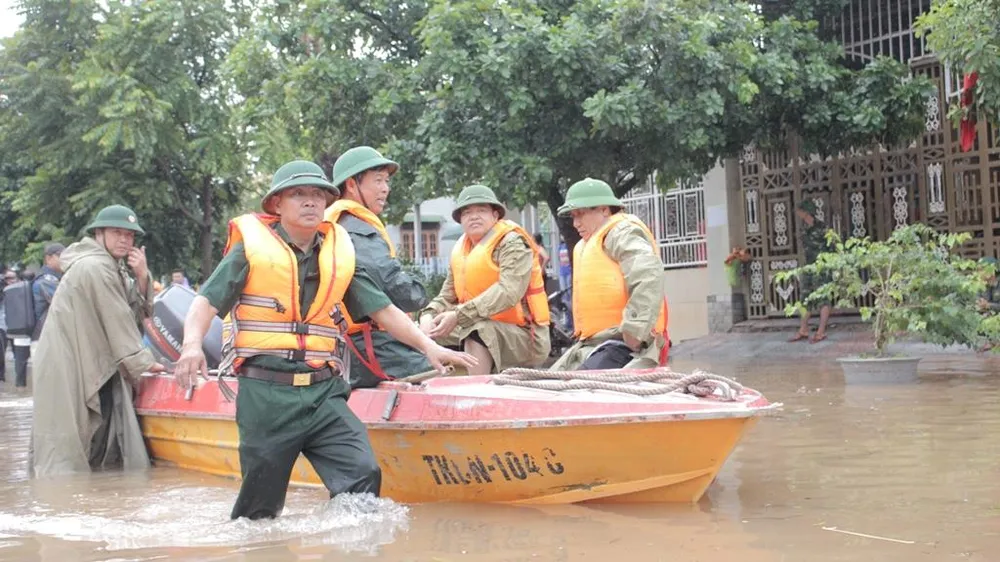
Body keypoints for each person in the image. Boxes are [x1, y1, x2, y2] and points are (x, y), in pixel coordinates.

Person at [172, 159, 476, 521]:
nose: (311, 202)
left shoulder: (338, 254)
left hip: (323, 394)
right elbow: (205, 302)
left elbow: (382, 310)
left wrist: (429, 346)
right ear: (277, 205)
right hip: (267, 395)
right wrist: (191, 346)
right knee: (259, 512)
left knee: (363, 473)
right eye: (298, 194)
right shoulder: (250, 251)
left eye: (318, 195)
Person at [30, 205, 166, 477]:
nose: (125, 240)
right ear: (99, 233)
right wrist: (143, 362)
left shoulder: (110, 265)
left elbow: (133, 312)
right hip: (67, 359)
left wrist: (141, 276)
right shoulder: (96, 266)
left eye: (130, 235)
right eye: (117, 233)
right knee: (66, 444)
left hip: (85, 356)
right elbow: (117, 317)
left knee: (89, 438)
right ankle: (63, 501)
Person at [323, 146, 434, 388]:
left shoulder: (337, 222)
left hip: (342, 343)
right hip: (366, 345)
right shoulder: (356, 228)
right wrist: (419, 289)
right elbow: (398, 290)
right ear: (352, 185)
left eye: (386, 181)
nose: (386, 188)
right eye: (378, 180)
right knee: (444, 370)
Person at [420, 185, 551, 374]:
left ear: (495, 216)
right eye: (467, 213)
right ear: (461, 220)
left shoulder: (512, 243)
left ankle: (475, 394)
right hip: (479, 325)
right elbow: (446, 296)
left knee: (477, 329)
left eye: (481, 210)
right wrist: (427, 316)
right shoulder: (461, 250)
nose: (474, 216)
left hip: (525, 336)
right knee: (418, 334)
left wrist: (458, 315)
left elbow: (508, 292)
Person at [550, 178, 669, 371]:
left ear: (604, 210)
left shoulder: (621, 232)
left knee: (578, 389)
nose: (575, 223)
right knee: (544, 386)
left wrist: (635, 329)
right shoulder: (585, 244)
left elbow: (648, 273)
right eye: (573, 216)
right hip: (591, 344)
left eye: (581, 214)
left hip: (624, 345)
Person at [788, 199, 832, 344]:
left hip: (822, 267)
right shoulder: (803, 228)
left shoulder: (822, 228)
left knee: (823, 299)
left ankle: (821, 332)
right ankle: (803, 329)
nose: (798, 213)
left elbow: (832, 247)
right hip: (808, 267)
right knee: (806, 298)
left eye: (800, 210)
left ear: (806, 211)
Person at [32, 242, 65, 342]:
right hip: (45, 336)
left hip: (50, 334)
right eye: (60, 256)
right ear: (48, 258)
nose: (65, 258)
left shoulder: (55, 278)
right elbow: (66, 301)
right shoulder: (46, 280)